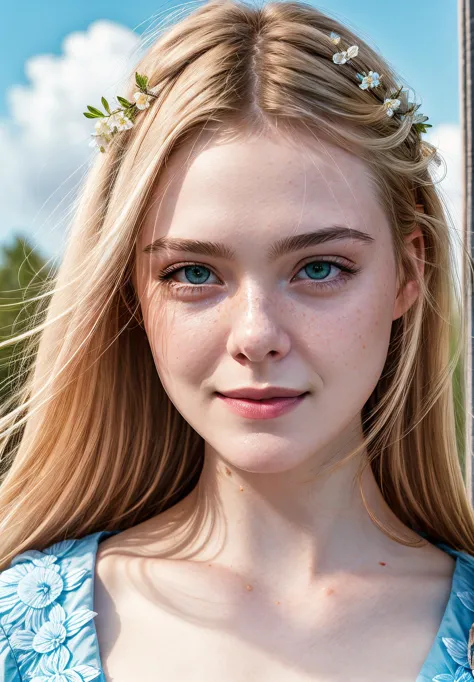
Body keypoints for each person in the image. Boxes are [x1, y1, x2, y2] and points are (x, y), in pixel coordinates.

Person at [0, 0, 472, 680]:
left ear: (408, 274)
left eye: (319, 268)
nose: (256, 335)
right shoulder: (17, 632)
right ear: (130, 290)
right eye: (194, 273)